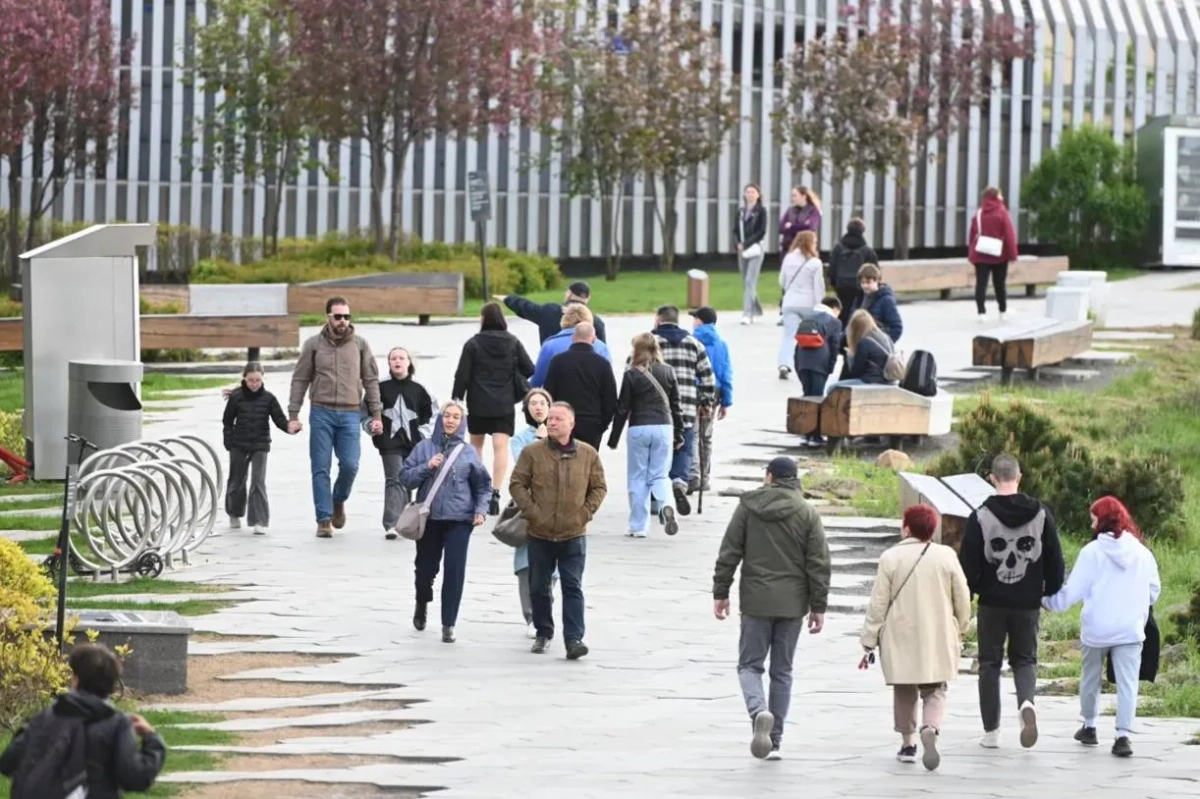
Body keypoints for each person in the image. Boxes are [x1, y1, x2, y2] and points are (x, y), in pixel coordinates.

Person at [712, 456, 830, 760]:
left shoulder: (748, 507)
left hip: (756, 601)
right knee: (782, 671)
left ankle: (758, 712)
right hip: (793, 604)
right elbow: (818, 563)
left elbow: (729, 552)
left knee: (749, 666)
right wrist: (818, 606)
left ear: (769, 477)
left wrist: (721, 592)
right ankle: (775, 740)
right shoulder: (807, 512)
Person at [959, 453, 1065, 750]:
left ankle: (991, 731)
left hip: (992, 602)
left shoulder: (980, 516)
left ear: (992, 478)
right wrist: (1048, 589)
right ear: (1019, 477)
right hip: (1027, 602)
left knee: (989, 664)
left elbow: (968, 564)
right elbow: (1056, 561)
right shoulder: (1042, 514)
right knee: (1025, 659)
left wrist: (972, 591)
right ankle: (1026, 703)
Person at [1043, 496, 1160, 759]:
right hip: (1130, 629)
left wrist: (1046, 601)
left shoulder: (1091, 553)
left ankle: (1090, 726)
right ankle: (1123, 736)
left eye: (1093, 519)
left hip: (1097, 629)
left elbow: (1072, 592)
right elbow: (1154, 591)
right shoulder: (1142, 553)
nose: (1091, 524)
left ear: (1102, 521)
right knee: (1128, 683)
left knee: (1090, 678)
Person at [860, 505, 972, 772]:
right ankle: (930, 727)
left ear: (907, 528)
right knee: (936, 688)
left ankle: (908, 744)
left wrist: (869, 638)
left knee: (904, 688)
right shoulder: (946, 556)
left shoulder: (890, 557)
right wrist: (961, 626)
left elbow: (879, 602)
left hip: (900, 633)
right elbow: (962, 595)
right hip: (938, 632)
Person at [0, 643, 166, 798]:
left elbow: (8, 763)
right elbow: (135, 777)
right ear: (112, 684)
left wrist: (30, 726)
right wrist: (152, 739)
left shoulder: (47, 716)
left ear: (76, 678)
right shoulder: (115, 724)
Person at [510, 401, 607, 659]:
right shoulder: (532, 452)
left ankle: (574, 639)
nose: (551, 422)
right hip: (539, 533)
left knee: (572, 586)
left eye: (558, 419)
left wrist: (585, 513)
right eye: (550, 418)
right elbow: (517, 483)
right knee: (539, 587)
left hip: (573, 534)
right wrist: (533, 512)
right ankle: (543, 632)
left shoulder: (588, 454)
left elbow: (599, 487)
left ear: (571, 424)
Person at [288, 297, 382, 538]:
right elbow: (300, 379)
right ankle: (323, 519)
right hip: (321, 412)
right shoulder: (313, 345)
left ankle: (338, 499)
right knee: (320, 468)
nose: (343, 321)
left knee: (350, 465)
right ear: (328, 317)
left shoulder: (360, 345)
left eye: (347, 316)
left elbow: (371, 380)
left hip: (350, 413)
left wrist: (376, 414)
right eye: (338, 316)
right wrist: (293, 414)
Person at [400, 401, 493, 644]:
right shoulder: (424, 448)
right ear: (440, 419)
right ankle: (422, 601)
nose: (450, 420)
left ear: (462, 422)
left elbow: (483, 485)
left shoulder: (468, 452)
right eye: (447, 416)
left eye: (456, 417)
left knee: (454, 570)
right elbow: (405, 478)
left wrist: (481, 510)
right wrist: (426, 467)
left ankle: (448, 624)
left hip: (460, 520)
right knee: (425, 569)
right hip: (429, 518)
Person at [451, 302, 535, 516]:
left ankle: (479, 491)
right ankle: (495, 493)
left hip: (478, 402)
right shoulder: (513, 342)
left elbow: (462, 374)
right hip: (503, 403)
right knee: (500, 447)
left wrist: (456, 400)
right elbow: (529, 368)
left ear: (484, 319)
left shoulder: (473, 343)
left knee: (476, 446)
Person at [608, 333, 685, 538]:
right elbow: (676, 406)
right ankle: (666, 505)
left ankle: (638, 526)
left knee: (638, 477)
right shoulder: (668, 371)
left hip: (639, 427)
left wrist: (614, 438)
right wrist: (679, 434)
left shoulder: (631, 374)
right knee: (660, 475)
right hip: (664, 427)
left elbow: (623, 408)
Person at [651, 305, 715, 516]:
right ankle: (679, 480)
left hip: (656, 408)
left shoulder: (651, 342)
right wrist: (705, 403)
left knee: (657, 451)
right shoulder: (694, 343)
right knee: (684, 447)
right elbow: (707, 377)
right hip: (686, 406)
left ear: (659, 320)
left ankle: (656, 495)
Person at [222, 362, 292, 535]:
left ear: (262, 379)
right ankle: (234, 512)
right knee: (237, 480)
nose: (254, 384)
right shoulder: (236, 397)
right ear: (244, 379)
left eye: (258, 380)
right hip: (239, 444)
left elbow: (279, 419)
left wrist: (289, 427)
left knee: (258, 481)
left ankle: (259, 520)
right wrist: (229, 442)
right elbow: (227, 421)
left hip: (260, 444)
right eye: (251, 380)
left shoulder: (269, 398)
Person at [373, 347, 436, 540]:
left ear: (409, 362)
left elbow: (433, 413)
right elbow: (366, 411)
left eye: (401, 358)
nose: (397, 361)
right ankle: (391, 523)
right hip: (389, 442)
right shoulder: (379, 387)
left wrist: (424, 433)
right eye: (393, 358)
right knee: (394, 478)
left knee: (408, 480)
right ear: (389, 363)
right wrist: (372, 426)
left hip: (415, 443)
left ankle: (405, 521)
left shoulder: (421, 388)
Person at [510, 388, 555, 637]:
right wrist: (539, 442)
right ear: (526, 409)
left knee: (552, 568)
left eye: (543, 403)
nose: (538, 407)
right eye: (533, 403)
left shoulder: (562, 437)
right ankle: (531, 617)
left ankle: (543, 612)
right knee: (526, 565)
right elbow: (526, 470)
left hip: (555, 510)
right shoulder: (519, 439)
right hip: (528, 508)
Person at [542, 322, 618, 449]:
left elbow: (548, 394)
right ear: (594, 339)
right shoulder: (602, 364)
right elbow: (610, 398)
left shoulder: (558, 361)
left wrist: (550, 420)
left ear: (573, 338)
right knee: (587, 460)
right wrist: (602, 425)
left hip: (562, 420)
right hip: (591, 423)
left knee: (561, 458)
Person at [688, 306, 732, 494]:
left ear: (699, 321)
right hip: (715, 392)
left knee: (692, 433)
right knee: (706, 436)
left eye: (695, 318)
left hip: (694, 390)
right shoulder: (722, 345)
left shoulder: (691, 341)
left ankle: (693, 475)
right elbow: (726, 374)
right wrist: (726, 401)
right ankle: (705, 478)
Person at [792, 296, 843, 448]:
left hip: (802, 362)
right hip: (819, 364)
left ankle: (804, 434)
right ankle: (815, 436)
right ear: (835, 308)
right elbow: (834, 346)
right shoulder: (834, 322)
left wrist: (797, 364)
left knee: (807, 396)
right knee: (817, 398)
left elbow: (798, 343)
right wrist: (830, 367)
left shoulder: (807, 318)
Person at [777, 230, 826, 380]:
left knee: (789, 335)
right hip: (808, 303)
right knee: (812, 334)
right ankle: (811, 364)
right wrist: (819, 303)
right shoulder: (815, 262)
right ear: (810, 243)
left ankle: (784, 364)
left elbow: (781, 281)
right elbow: (818, 286)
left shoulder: (788, 258)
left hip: (789, 302)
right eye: (815, 242)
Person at [495, 281, 607, 344]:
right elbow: (603, 354)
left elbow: (526, 307)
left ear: (569, 294)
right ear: (588, 298)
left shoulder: (549, 311)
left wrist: (507, 299)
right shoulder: (597, 323)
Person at [968, 187, 1019, 324]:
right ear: (996, 196)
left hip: (981, 254)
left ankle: (981, 313)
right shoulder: (1002, 212)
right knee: (999, 284)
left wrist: (971, 253)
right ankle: (1002, 311)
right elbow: (1009, 234)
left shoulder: (979, 213)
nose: (1002, 197)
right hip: (999, 255)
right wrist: (1013, 254)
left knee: (981, 283)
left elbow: (972, 235)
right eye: (1000, 194)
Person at [530, 303, 612, 388]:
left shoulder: (550, 346)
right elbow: (607, 380)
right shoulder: (601, 347)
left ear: (564, 320)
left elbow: (537, 380)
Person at [777, 187, 822, 326]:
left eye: (795, 195)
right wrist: (800, 226)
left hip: (806, 249)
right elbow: (781, 228)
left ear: (803, 196)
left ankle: (806, 308)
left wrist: (791, 226)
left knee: (804, 279)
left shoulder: (813, 211)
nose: (793, 198)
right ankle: (784, 310)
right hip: (788, 248)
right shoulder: (790, 210)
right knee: (788, 279)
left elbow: (811, 227)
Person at [829, 218, 879, 326]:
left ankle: (842, 333)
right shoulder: (867, 251)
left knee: (842, 312)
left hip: (841, 286)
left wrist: (835, 284)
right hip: (860, 288)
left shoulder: (838, 248)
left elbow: (832, 269)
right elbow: (874, 271)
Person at [831, 310, 895, 387]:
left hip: (871, 382)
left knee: (832, 388)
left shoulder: (864, 342)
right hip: (890, 382)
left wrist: (850, 355)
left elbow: (855, 372)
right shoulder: (887, 337)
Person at [735, 183, 768, 324]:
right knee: (745, 281)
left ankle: (747, 314)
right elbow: (735, 229)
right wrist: (738, 243)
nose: (750, 194)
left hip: (755, 249)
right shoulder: (741, 211)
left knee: (750, 280)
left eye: (753, 192)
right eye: (747, 192)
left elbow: (762, 231)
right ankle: (757, 308)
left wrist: (747, 243)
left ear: (758, 195)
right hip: (742, 250)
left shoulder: (761, 211)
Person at [850, 263, 903, 343]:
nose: (865, 286)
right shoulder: (858, 299)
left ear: (877, 281)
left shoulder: (886, 300)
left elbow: (896, 327)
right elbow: (851, 323)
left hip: (878, 343)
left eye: (868, 282)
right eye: (862, 283)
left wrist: (884, 343)